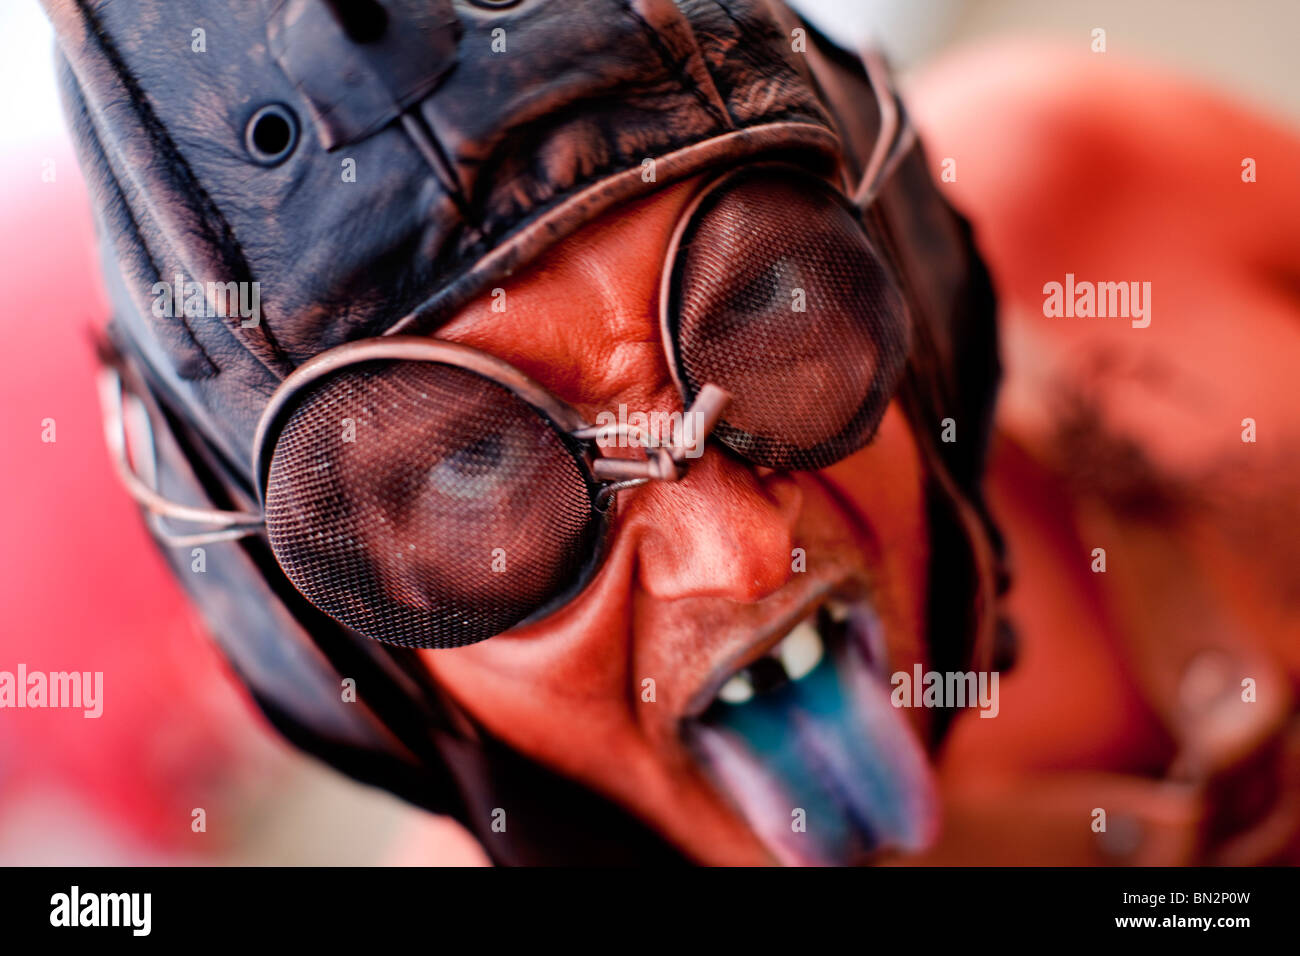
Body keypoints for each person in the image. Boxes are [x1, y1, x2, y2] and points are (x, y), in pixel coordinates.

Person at [41, 0, 1298, 865]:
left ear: (899, 261)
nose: (739, 557)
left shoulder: (1105, 198)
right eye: (479, 467)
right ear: (331, 652)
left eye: (762, 297)